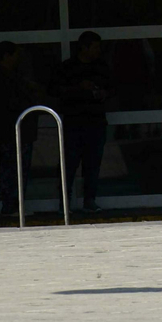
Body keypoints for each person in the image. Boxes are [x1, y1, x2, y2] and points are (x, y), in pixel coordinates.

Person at [0, 41, 43, 216]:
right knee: (12, 168)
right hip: (12, 130)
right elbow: (10, 103)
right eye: (15, 55)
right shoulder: (1, 77)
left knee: (13, 168)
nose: (18, 59)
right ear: (6, 56)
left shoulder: (6, 76)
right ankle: (12, 205)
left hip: (14, 130)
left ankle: (14, 205)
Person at [55, 31, 111, 214]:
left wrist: (102, 93)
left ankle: (90, 200)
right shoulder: (68, 68)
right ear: (83, 47)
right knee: (69, 164)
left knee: (93, 165)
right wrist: (79, 88)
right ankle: (64, 203)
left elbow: (113, 89)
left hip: (96, 122)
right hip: (74, 123)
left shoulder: (102, 67)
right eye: (94, 47)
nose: (97, 51)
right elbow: (55, 91)